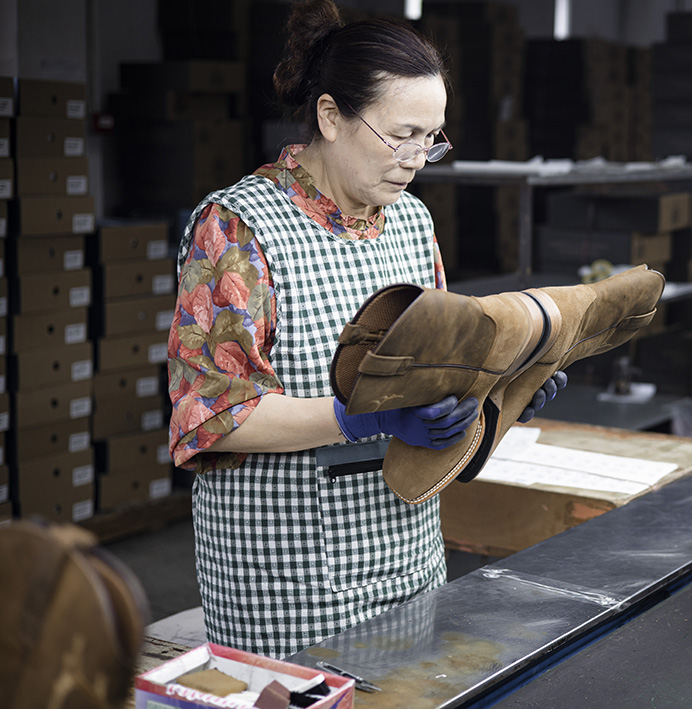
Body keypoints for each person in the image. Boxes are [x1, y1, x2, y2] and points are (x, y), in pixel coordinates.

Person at [167, 0, 563, 659]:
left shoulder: (411, 221)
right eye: (401, 135)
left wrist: (501, 395)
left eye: (431, 139)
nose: (417, 159)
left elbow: (437, 374)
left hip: (407, 551)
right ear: (330, 116)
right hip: (285, 574)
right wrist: (360, 417)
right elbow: (213, 417)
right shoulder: (239, 229)